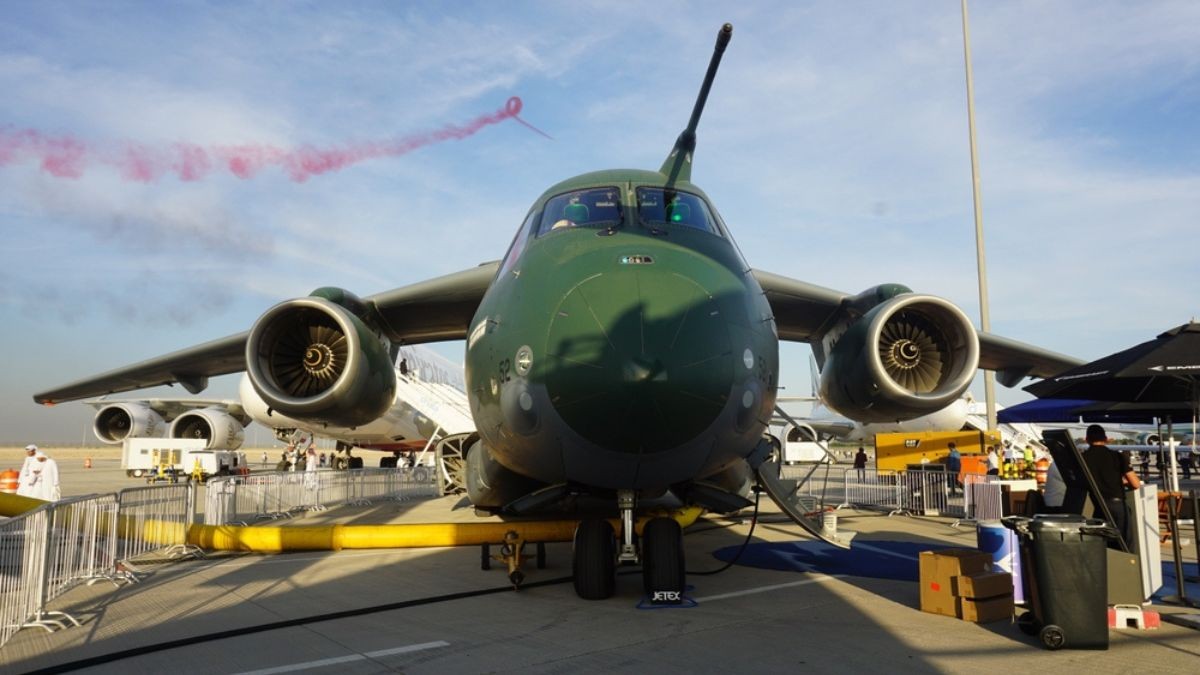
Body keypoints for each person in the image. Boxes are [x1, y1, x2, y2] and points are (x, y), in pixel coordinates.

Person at [1080, 424, 1140, 545]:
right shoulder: (1117, 456)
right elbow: (1136, 484)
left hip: (1097, 504)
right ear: (1106, 438)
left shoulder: (1082, 458)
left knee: (1102, 543)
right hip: (1117, 505)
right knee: (1123, 543)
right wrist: (1120, 481)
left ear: (1087, 439)